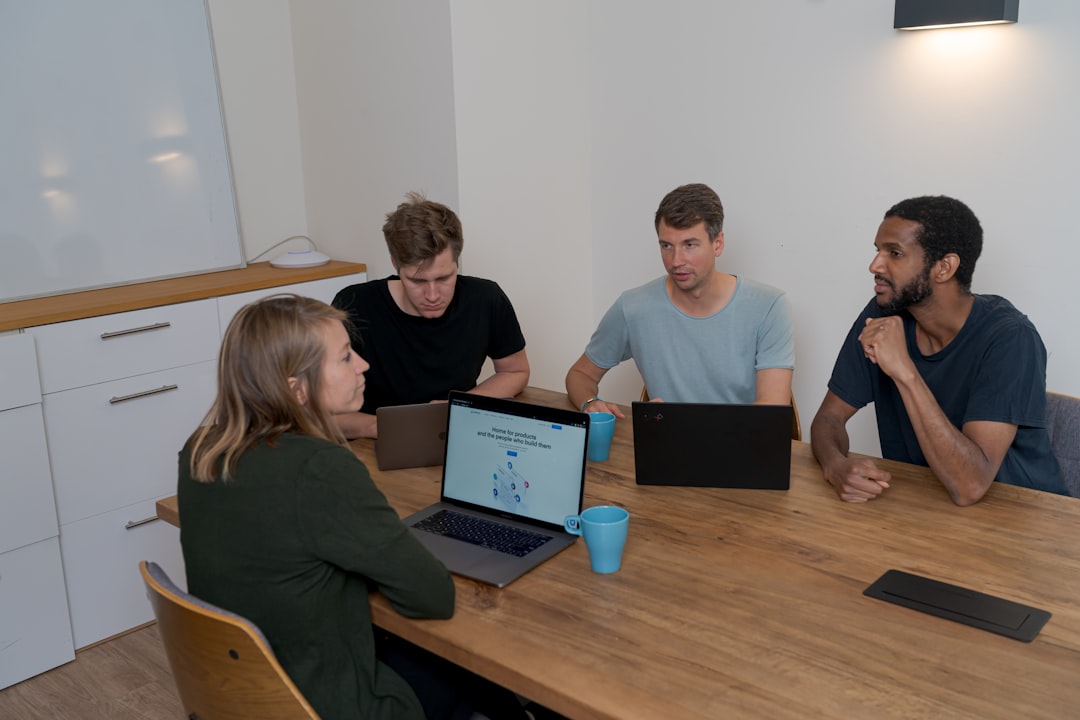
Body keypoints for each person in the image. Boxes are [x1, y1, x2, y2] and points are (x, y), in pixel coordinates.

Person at [178, 294, 529, 720]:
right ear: (297, 388)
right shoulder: (319, 467)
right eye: (345, 357)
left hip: (243, 690)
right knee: (480, 678)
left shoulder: (201, 450)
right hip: (329, 702)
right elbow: (432, 596)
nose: (363, 365)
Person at [811, 195, 1067, 506]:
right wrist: (836, 466)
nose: (874, 265)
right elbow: (829, 418)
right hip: (928, 508)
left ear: (944, 267)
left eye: (894, 253)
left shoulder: (1010, 338)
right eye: (877, 251)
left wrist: (904, 372)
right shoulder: (883, 314)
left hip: (1025, 517)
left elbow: (970, 486)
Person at [565, 183, 794, 417]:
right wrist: (590, 402)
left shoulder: (769, 306)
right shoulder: (633, 307)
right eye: (667, 246)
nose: (676, 261)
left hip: (742, 439)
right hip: (665, 439)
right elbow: (580, 375)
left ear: (718, 243)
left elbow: (772, 411)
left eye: (689, 245)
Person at [333, 192, 530, 438]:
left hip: (455, 434)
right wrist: (388, 427)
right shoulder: (354, 304)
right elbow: (321, 413)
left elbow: (515, 371)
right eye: (417, 281)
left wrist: (460, 408)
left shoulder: (486, 298)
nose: (433, 295)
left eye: (444, 278)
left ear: (457, 262)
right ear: (395, 264)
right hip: (375, 440)